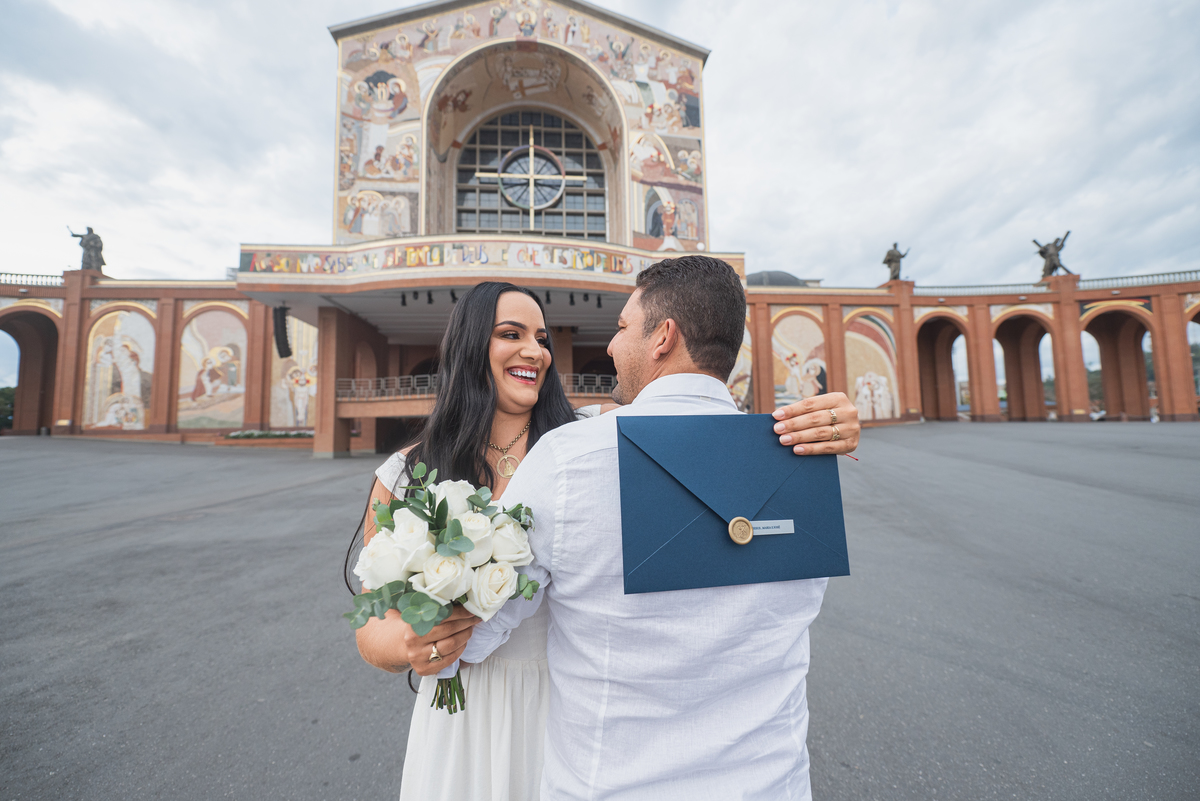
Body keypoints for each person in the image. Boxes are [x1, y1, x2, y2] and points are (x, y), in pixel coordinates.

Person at [350, 278, 860, 801]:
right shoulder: (405, 473)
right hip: (472, 712)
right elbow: (374, 625)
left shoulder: (589, 433)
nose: (535, 351)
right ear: (468, 346)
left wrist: (830, 421)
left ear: (660, 337)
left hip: (579, 713)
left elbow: (691, 420)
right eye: (512, 333)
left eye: (543, 339)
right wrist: (413, 644)